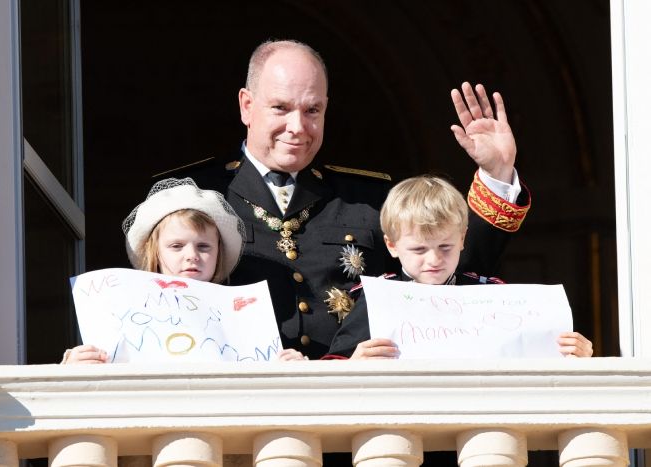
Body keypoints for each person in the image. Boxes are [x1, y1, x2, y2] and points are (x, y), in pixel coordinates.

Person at [157, 39, 531, 360]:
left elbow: (451, 270)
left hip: (357, 418)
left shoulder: (368, 198)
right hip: (243, 414)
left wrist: (497, 173)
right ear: (246, 105)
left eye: (312, 110)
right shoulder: (192, 195)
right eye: (281, 108)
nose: (298, 127)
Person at [325, 175, 594, 360]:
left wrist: (576, 355)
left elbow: (540, 356)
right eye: (419, 249)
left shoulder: (491, 293)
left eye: (445, 247)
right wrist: (353, 363)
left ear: (462, 239)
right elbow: (333, 364)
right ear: (392, 246)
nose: (433, 260)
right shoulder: (375, 298)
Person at [63, 177, 306, 363]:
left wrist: (289, 368)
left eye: (203, 246)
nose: (191, 256)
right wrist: (75, 366)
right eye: (176, 246)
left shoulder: (244, 316)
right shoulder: (119, 308)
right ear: (154, 252)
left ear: (219, 253)